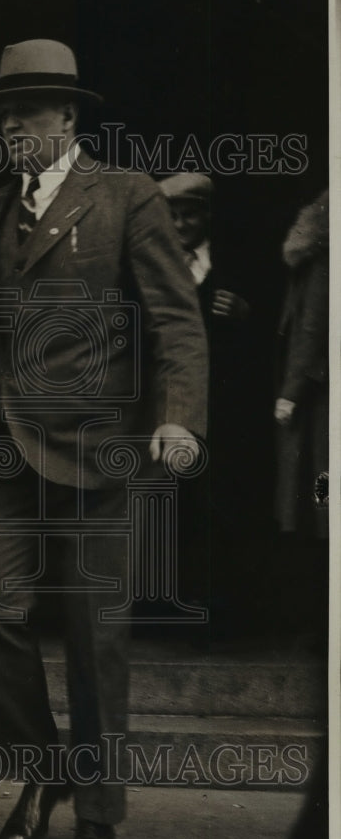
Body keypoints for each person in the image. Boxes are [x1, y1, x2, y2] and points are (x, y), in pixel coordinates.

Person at [0, 40, 208, 839]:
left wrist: (179, 418)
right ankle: (42, 772)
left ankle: (96, 812)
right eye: (2, 112)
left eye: (25, 110)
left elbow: (174, 317)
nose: (10, 125)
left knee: (95, 632)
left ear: (68, 116)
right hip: (6, 452)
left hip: (99, 452)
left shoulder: (127, 196)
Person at [158, 173, 251, 633]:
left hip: (222, 411)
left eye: (189, 214)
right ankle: (171, 610)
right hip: (170, 408)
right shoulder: (154, 268)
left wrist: (245, 315)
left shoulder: (232, 265)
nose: (181, 224)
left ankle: (219, 610)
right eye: (172, 216)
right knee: (170, 506)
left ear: (206, 216)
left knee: (218, 503)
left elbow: (272, 327)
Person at [273, 187, 329, 649]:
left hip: (320, 400)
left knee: (322, 501)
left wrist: (288, 395)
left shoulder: (321, 267)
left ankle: (319, 626)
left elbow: (310, 330)